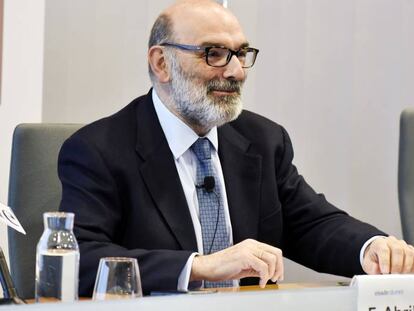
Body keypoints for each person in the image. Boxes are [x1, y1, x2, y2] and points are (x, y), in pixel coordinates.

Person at [58, 0, 414, 296]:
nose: (236, 72)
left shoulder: (263, 140)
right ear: (161, 63)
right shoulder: (98, 151)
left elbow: (311, 223)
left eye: (241, 54)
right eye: (214, 53)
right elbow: (80, 259)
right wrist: (199, 267)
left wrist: (372, 248)